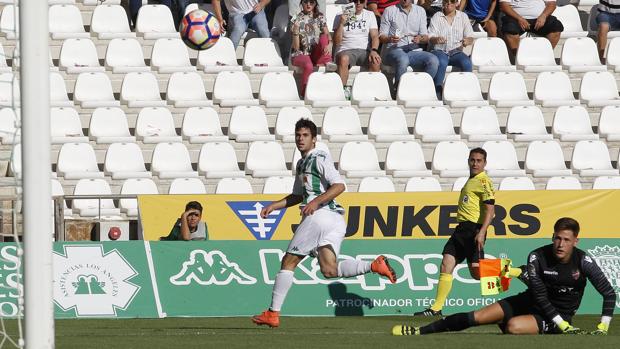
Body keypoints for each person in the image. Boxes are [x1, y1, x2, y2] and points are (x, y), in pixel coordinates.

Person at [251, 118, 398, 328]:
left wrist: (316, 203)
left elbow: (339, 186)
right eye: (298, 135)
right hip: (335, 220)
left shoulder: (319, 157)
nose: (300, 139)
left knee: (288, 262)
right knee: (329, 269)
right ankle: (374, 265)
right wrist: (274, 206)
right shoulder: (302, 163)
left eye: (305, 136)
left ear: (314, 139)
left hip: (319, 216)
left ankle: (273, 313)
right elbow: (297, 195)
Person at [394, 217, 616, 335]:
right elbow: (538, 294)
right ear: (552, 237)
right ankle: (420, 330)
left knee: (513, 328)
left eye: (566, 240)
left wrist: (603, 325)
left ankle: (510, 322)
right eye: (557, 238)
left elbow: (608, 292)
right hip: (530, 302)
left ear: (575, 241)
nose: (560, 244)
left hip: (557, 316)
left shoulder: (584, 261)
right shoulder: (537, 256)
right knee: (477, 317)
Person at [413, 148, 517, 316]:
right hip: (461, 230)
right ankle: (436, 308)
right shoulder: (471, 180)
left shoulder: (483, 182)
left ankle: (514, 271)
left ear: (485, 163)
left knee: (477, 273)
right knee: (446, 264)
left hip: (473, 230)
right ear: (468, 161)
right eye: (472, 160)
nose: (475, 163)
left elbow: (491, 211)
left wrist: (482, 232)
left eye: (479, 161)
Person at [379, 0, 440, 91]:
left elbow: (426, 37)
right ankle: (399, 91)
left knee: (433, 60)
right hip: (394, 49)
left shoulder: (420, 11)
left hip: (413, 50)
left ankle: (422, 90)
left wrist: (420, 39)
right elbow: (381, 36)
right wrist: (390, 39)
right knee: (403, 59)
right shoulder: (389, 11)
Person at [333, 0, 382, 97]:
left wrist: (374, 50)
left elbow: (375, 36)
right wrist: (341, 24)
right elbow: (337, 42)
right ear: (350, 2)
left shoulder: (370, 15)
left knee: (376, 61)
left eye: (361, 0)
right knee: (344, 59)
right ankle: (343, 93)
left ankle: (371, 92)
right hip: (345, 50)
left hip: (364, 50)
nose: (358, 3)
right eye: (355, 1)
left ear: (365, 2)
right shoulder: (340, 15)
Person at [428, 0, 474, 98]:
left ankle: (465, 91)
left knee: (467, 63)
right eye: (446, 1)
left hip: (456, 51)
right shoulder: (437, 16)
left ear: (457, 3)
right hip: (439, 50)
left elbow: (470, 36)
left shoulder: (463, 16)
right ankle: (437, 92)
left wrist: (467, 40)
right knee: (442, 61)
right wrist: (436, 39)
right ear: (442, 3)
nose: (449, 3)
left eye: (452, 1)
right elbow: (430, 36)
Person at [290, 0, 333, 96]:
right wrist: (296, 31)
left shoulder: (320, 17)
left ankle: (327, 61)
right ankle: (304, 94)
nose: (308, 4)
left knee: (323, 38)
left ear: (315, 4)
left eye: (311, 2)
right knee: (309, 66)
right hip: (300, 53)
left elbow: (327, 34)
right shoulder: (296, 18)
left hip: (314, 53)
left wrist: (330, 43)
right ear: (302, 3)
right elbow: (296, 47)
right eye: (305, 2)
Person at [499, 0, 564, 59]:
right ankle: (518, 58)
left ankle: (545, 56)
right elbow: (504, 5)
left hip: (539, 18)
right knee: (510, 29)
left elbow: (552, 3)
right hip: (515, 18)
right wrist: (519, 18)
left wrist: (543, 16)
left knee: (556, 27)